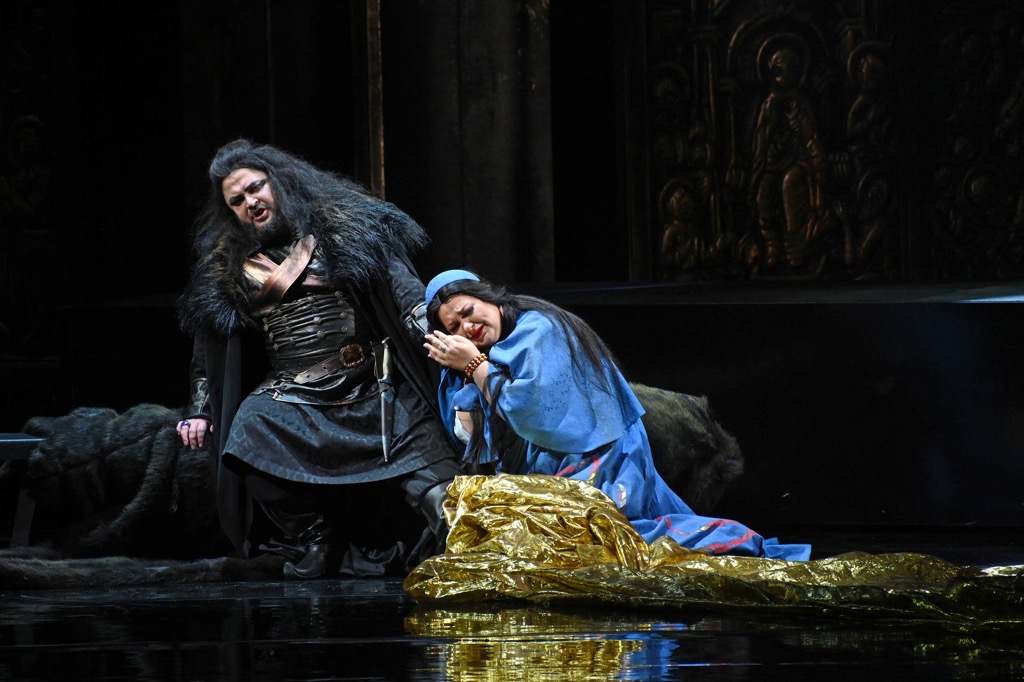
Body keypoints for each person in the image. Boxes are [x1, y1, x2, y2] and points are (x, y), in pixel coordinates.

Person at [175, 139, 462, 579]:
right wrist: (200, 409)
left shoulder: (345, 229)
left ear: (279, 182)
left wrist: (439, 329)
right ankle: (317, 538)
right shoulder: (229, 267)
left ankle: (462, 547)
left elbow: (407, 297)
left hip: (374, 385)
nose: (250, 202)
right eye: (237, 200)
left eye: (255, 187)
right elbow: (208, 347)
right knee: (246, 434)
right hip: (294, 394)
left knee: (437, 487)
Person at [422, 269, 810, 561]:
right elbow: (474, 435)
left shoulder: (539, 330)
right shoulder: (490, 354)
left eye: (469, 312)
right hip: (552, 462)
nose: (467, 327)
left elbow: (533, 410)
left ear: (488, 297)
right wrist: (468, 374)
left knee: (608, 539)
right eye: (454, 327)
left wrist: (475, 366)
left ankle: (736, 541)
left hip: (600, 456)